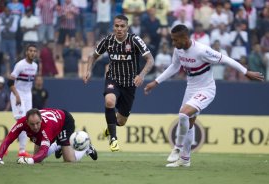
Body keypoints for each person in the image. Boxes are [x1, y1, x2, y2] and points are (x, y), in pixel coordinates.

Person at [144, 24, 264, 168]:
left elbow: (226, 59)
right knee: (189, 124)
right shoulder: (178, 50)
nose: (173, 43)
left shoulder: (202, 50)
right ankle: (185, 159)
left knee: (183, 115)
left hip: (206, 89)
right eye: (172, 40)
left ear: (185, 38)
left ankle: (177, 148)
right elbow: (174, 67)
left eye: (176, 40)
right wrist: (156, 81)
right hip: (191, 88)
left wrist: (246, 72)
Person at [83, 14, 154, 152]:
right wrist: (88, 70)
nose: (119, 29)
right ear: (113, 27)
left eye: (122, 26)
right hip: (113, 79)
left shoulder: (134, 40)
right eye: (117, 26)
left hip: (130, 84)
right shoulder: (108, 41)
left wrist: (142, 75)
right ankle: (113, 139)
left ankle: (110, 129)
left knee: (121, 121)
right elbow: (93, 55)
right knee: (109, 101)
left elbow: (150, 59)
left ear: (127, 27)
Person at [0, 108, 98, 164]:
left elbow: (43, 150)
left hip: (64, 121)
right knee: (37, 159)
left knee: (69, 160)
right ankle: (58, 145)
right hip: (54, 123)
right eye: (32, 124)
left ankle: (86, 147)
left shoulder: (46, 128)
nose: (36, 126)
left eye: (38, 123)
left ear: (41, 120)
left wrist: (30, 160)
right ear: (26, 122)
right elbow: (8, 139)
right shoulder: (21, 123)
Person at [8, 44, 38, 157]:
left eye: (34, 51)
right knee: (22, 122)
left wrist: (27, 96)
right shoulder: (20, 65)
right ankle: (10, 146)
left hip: (27, 96)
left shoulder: (35, 66)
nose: (32, 53)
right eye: (30, 50)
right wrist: (17, 95)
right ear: (26, 52)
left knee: (27, 122)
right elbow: (10, 82)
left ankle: (21, 151)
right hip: (17, 94)